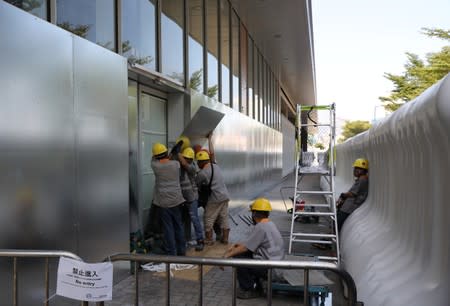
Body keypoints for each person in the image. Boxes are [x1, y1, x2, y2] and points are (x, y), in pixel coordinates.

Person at [222, 198, 285, 299]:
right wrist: (237, 245)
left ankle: (248, 290)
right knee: (243, 253)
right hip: (276, 266)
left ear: (254, 213)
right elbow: (249, 244)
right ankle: (256, 284)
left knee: (239, 259)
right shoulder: (269, 224)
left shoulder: (261, 227)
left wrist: (226, 256)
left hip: (272, 270)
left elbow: (245, 248)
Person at [151, 142, 186, 256]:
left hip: (164, 203)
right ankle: (182, 251)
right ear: (166, 153)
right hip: (177, 201)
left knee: (168, 228)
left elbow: (155, 159)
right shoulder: (176, 164)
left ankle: (172, 253)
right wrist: (173, 151)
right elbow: (169, 159)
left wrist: (166, 153)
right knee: (179, 226)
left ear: (156, 156)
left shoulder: (155, 166)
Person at [196, 149, 230, 245]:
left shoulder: (202, 173)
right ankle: (225, 239)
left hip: (214, 198)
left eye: (198, 162)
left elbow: (196, 184)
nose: (197, 164)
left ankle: (209, 240)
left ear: (202, 162)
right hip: (225, 196)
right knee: (224, 217)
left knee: (208, 218)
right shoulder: (216, 166)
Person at [178, 147, 205, 251]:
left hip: (192, 198)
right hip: (183, 198)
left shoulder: (192, 168)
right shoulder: (180, 167)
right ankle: (186, 239)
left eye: (189, 158)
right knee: (185, 219)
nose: (187, 160)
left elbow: (185, 164)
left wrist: (178, 152)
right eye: (186, 158)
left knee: (194, 219)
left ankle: (200, 240)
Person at [336, 158, 369, 231]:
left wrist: (343, 195)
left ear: (361, 170)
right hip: (350, 204)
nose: (354, 170)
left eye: (356, 169)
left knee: (338, 221)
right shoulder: (361, 179)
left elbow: (352, 194)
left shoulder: (362, 180)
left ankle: (332, 235)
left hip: (350, 206)